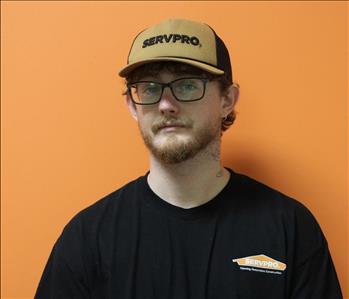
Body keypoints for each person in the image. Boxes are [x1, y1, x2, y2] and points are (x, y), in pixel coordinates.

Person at [34, 18, 343, 299]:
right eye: (150, 87)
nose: (166, 104)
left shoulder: (289, 228)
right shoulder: (88, 238)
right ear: (132, 105)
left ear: (227, 100)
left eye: (187, 85)